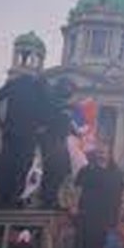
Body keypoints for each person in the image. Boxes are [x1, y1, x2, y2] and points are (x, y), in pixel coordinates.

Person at [65, 141, 124, 248]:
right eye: (99, 151)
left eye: (104, 151)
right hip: (87, 216)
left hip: (106, 220)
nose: (101, 154)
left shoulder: (117, 174)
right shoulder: (86, 171)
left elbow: (120, 198)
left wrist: (118, 220)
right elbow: (76, 190)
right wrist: (73, 206)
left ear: (110, 153)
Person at [0, 73, 48, 208]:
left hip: (11, 132)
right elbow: (48, 109)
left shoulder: (13, 85)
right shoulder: (39, 87)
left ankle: (1, 199)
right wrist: (41, 126)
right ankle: (14, 198)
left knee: (7, 165)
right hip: (28, 134)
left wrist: (1, 123)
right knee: (22, 167)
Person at [39, 79, 75, 209]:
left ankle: (56, 199)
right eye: (68, 88)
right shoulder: (52, 102)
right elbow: (48, 122)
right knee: (52, 172)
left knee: (62, 172)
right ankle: (47, 200)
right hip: (52, 143)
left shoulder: (64, 105)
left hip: (62, 143)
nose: (70, 92)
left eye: (71, 89)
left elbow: (69, 128)